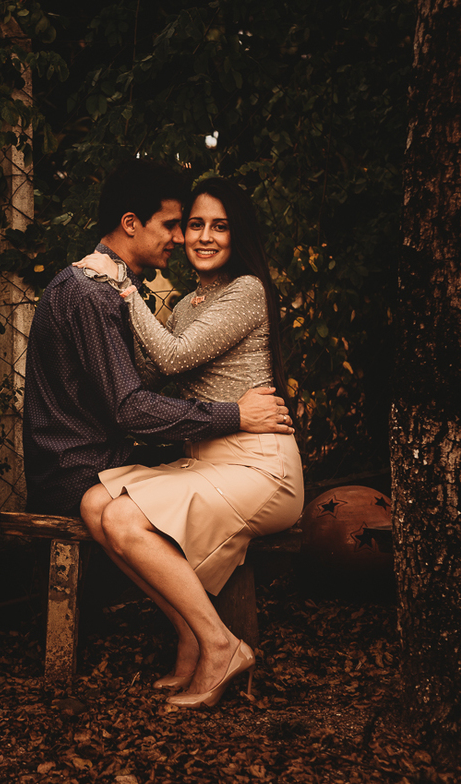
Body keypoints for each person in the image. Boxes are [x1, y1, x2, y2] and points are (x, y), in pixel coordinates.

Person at [76, 176, 304, 710]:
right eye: (194, 224)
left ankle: (222, 645)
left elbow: (174, 358)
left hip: (260, 469)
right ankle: (189, 632)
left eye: (218, 226)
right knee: (94, 503)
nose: (202, 236)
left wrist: (123, 285)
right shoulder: (184, 309)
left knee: (125, 520)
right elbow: (145, 378)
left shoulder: (246, 291)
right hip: (206, 462)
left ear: (237, 234)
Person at [22, 160, 294, 518]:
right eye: (173, 225)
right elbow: (131, 407)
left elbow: (145, 377)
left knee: (198, 467)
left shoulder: (108, 288)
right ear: (131, 223)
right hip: (79, 472)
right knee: (197, 470)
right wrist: (236, 414)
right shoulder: (95, 292)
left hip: (91, 459)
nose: (181, 238)